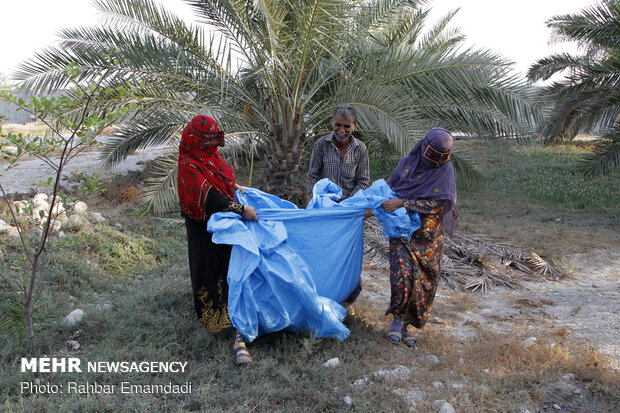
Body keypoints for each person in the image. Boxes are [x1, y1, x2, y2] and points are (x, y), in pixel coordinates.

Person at [177, 114, 258, 365]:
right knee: (209, 270)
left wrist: (235, 187)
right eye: (206, 140)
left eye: (214, 139)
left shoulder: (212, 157)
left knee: (229, 270)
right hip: (204, 230)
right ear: (194, 139)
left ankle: (233, 315)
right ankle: (213, 317)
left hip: (225, 227)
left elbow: (222, 181)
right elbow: (209, 198)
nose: (211, 145)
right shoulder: (189, 165)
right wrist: (241, 209)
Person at [380, 127, 458, 347]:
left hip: (428, 238)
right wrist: (372, 205)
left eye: (441, 158)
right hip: (402, 230)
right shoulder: (407, 163)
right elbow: (390, 190)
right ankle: (397, 321)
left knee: (422, 281)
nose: (435, 162)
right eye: (432, 156)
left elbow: (440, 204)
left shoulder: (446, 171)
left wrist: (405, 203)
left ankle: (405, 326)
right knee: (402, 274)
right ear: (424, 147)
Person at [306, 104, 371, 306]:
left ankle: (347, 300)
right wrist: (316, 199)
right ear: (332, 124)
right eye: (338, 125)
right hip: (324, 213)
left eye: (347, 126)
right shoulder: (321, 145)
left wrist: (348, 204)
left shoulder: (360, 149)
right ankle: (322, 298)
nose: (341, 130)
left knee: (348, 257)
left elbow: (363, 180)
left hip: (348, 214)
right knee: (323, 253)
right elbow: (312, 176)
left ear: (354, 126)